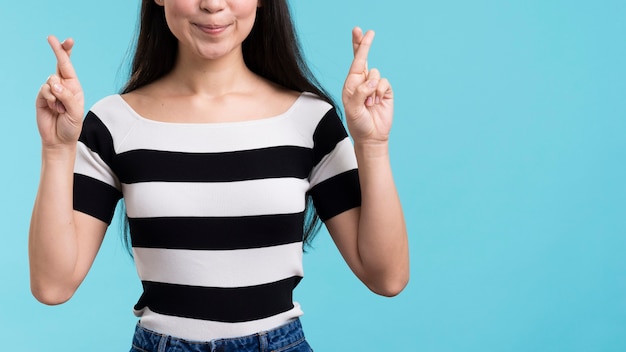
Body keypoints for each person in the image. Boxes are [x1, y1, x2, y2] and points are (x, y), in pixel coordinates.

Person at [30, 0, 409, 350]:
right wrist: (56, 150)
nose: (213, 4)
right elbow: (52, 285)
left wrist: (372, 145)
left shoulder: (308, 120)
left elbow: (387, 278)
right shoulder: (114, 124)